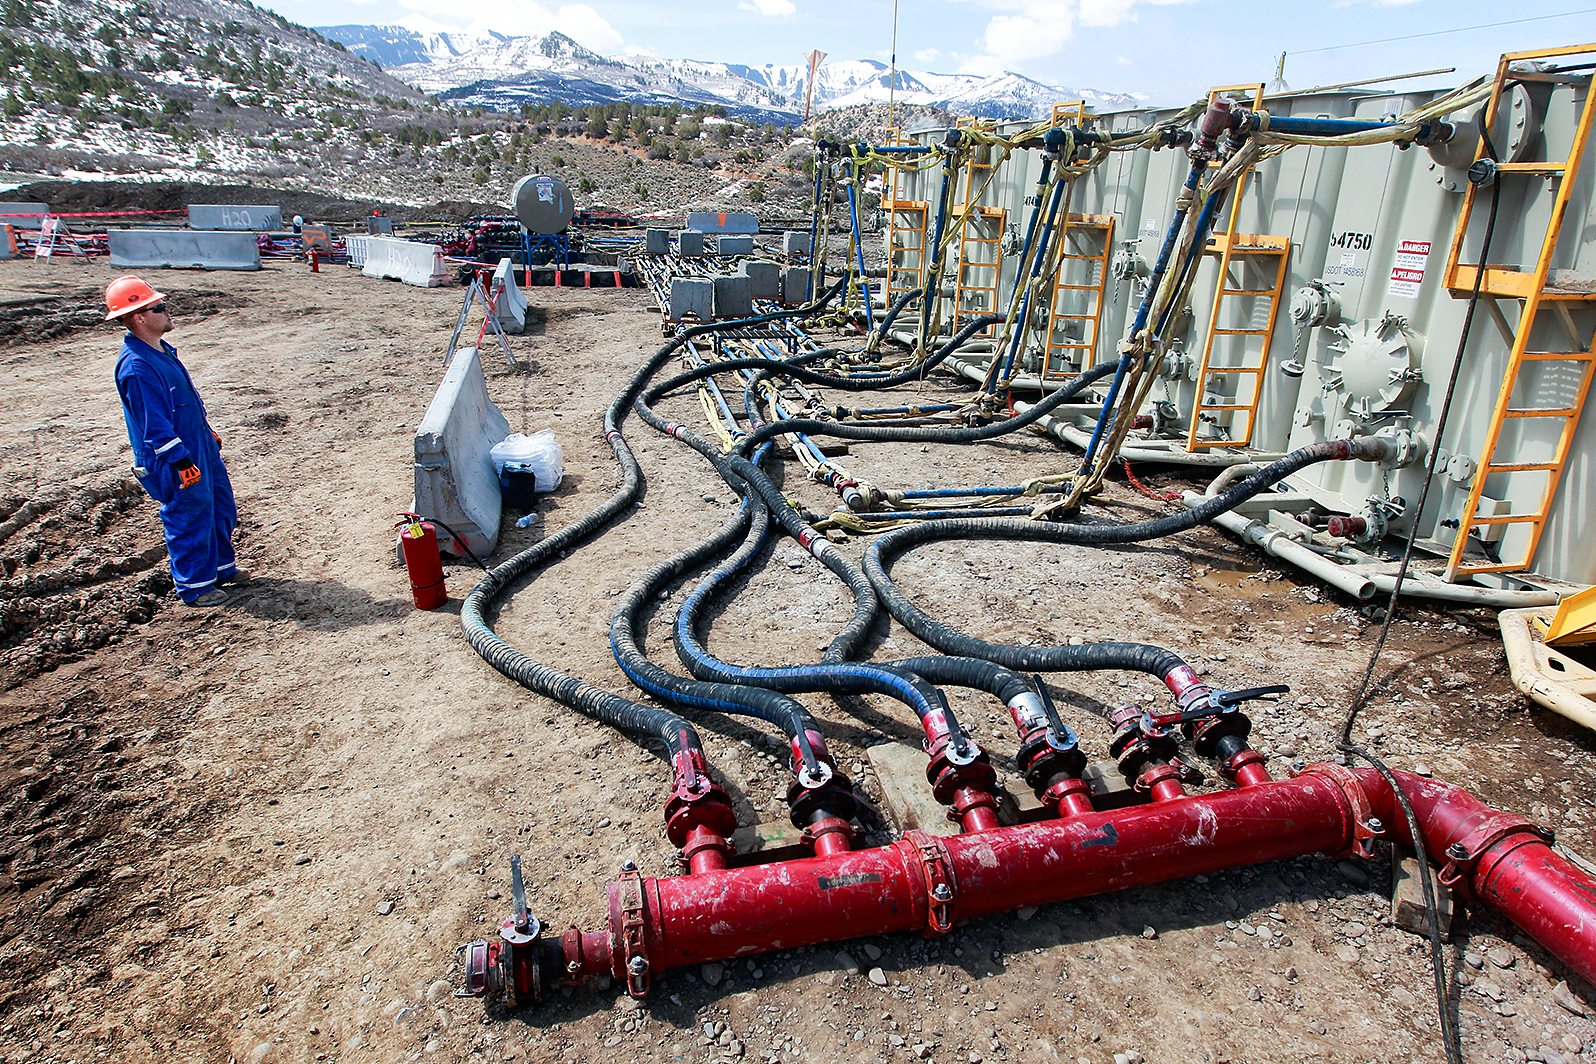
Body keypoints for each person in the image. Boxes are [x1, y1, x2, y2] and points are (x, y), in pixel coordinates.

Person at [107, 275, 246, 608]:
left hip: (196, 444)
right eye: (159, 307)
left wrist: (205, 433)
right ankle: (196, 587)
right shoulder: (137, 367)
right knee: (189, 514)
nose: (168, 312)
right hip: (172, 456)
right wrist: (181, 460)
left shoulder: (161, 352)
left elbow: (182, 404)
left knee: (219, 504)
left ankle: (221, 568)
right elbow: (154, 423)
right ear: (138, 317)